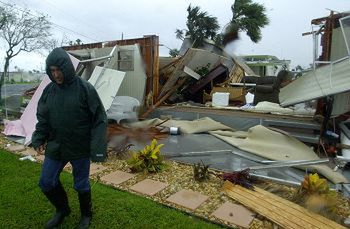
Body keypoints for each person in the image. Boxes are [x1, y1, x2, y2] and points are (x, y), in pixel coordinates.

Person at [31, 47, 107, 229]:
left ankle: (86, 215)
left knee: (81, 184)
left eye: (59, 70)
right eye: (52, 71)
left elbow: (99, 118)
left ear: (67, 68)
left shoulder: (84, 88)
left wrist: (97, 149)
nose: (56, 74)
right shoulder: (49, 91)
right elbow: (43, 117)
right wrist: (39, 137)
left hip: (79, 147)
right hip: (56, 145)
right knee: (46, 182)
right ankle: (62, 210)